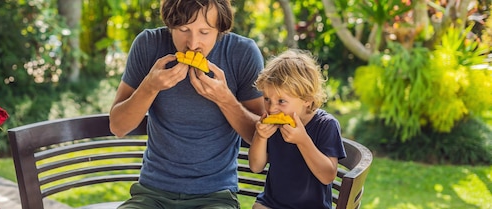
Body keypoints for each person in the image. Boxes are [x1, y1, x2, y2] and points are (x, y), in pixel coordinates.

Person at [108, 0, 265, 208]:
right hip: (151, 193)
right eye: (183, 29)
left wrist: (225, 99)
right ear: (170, 24)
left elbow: (260, 135)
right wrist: (149, 87)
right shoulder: (148, 44)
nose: (193, 43)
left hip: (215, 195)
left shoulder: (242, 53)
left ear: (219, 29)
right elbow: (118, 127)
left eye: (205, 32)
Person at [249, 49, 347, 209]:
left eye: (281, 101)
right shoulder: (272, 124)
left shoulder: (325, 125)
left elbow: (328, 176)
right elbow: (255, 166)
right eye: (267, 98)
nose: (272, 108)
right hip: (272, 204)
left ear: (307, 100)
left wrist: (303, 141)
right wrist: (260, 137)